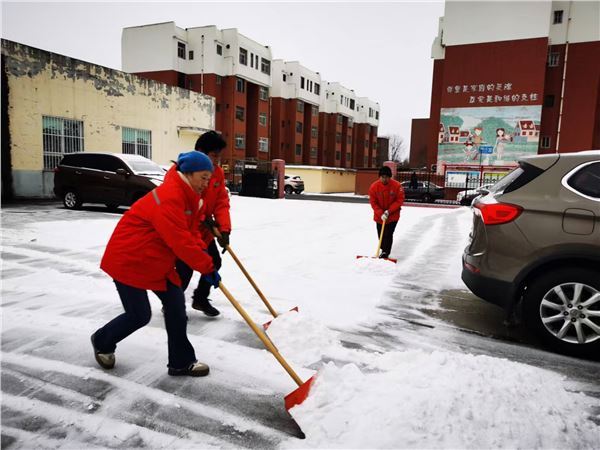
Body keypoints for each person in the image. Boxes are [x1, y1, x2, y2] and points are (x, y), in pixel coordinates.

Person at [91, 151, 220, 377]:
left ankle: (181, 361)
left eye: (209, 179)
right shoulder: (169, 197)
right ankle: (102, 340)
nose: (206, 183)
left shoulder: (191, 199)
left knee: (176, 307)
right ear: (188, 173)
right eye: (203, 177)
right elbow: (180, 241)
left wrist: (204, 257)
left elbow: (191, 234)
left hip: (157, 261)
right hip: (129, 259)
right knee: (139, 315)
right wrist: (207, 267)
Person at [176, 131, 231, 317]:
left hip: (205, 230)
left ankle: (200, 299)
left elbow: (221, 201)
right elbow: (181, 205)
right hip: (186, 230)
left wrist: (224, 229)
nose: (217, 161)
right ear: (201, 152)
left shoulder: (217, 173)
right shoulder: (185, 172)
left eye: (219, 156)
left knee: (214, 261)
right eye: (214, 156)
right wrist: (201, 218)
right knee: (185, 269)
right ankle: (172, 305)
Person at [368, 166, 405, 259]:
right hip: (379, 216)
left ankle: (385, 252)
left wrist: (389, 211)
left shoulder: (397, 186)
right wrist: (381, 213)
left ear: (390, 177)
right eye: (382, 177)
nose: (384, 179)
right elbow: (373, 202)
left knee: (388, 234)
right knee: (381, 234)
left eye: (387, 177)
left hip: (393, 216)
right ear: (379, 177)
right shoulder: (374, 187)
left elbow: (399, 200)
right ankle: (383, 249)